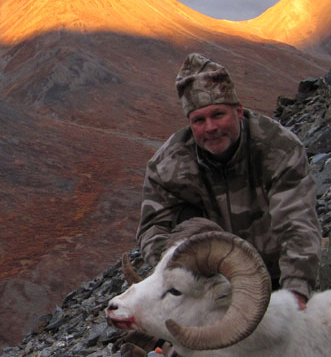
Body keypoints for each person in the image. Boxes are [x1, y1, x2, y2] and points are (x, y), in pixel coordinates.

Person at [136, 53, 321, 308]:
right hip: (210, 286)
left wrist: (296, 293)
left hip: (278, 277)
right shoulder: (167, 166)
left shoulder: (279, 148)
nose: (210, 127)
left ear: (239, 111)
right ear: (190, 124)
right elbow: (152, 229)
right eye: (199, 120)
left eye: (218, 115)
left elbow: (297, 222)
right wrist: (181, 273)